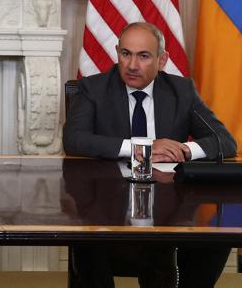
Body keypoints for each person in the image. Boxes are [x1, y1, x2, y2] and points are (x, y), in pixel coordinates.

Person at [63, 21, 236, 288]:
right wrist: (143, 148)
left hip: (169, 204)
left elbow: (224, 141)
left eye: (143, 56)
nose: (132, 65)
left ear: (162, 60)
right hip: (107, 201)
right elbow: (74, 139)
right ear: (117, 52)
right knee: (86, 235)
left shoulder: (181, 91)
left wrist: (183, 150)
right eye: (126, 54)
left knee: (217, 233)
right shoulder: (93, 89)